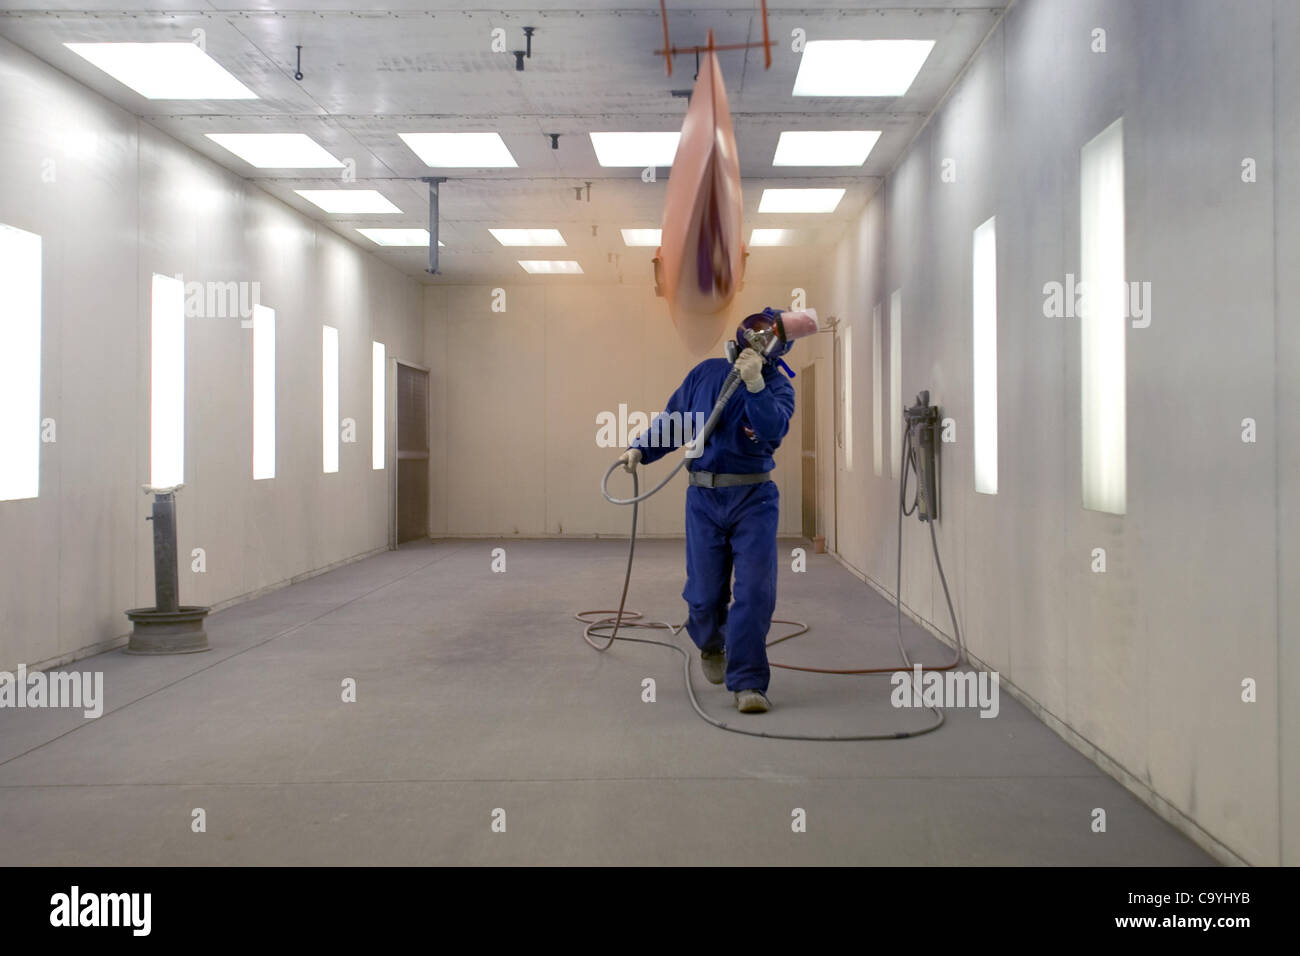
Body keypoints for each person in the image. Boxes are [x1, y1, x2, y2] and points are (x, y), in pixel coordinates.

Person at [619, 312, 796, 714]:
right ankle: (711, 643)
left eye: (768, 337)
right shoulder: (706, 374)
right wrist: (640, 450)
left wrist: (755, 385)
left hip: (754, 499)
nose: (758, 339)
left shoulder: (777, 388)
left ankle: (749, 682)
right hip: (704, 499)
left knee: (754, 590)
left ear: (776, 350)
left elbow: (772, 430)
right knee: (703, 595)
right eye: (757, 331)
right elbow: (676, 421)